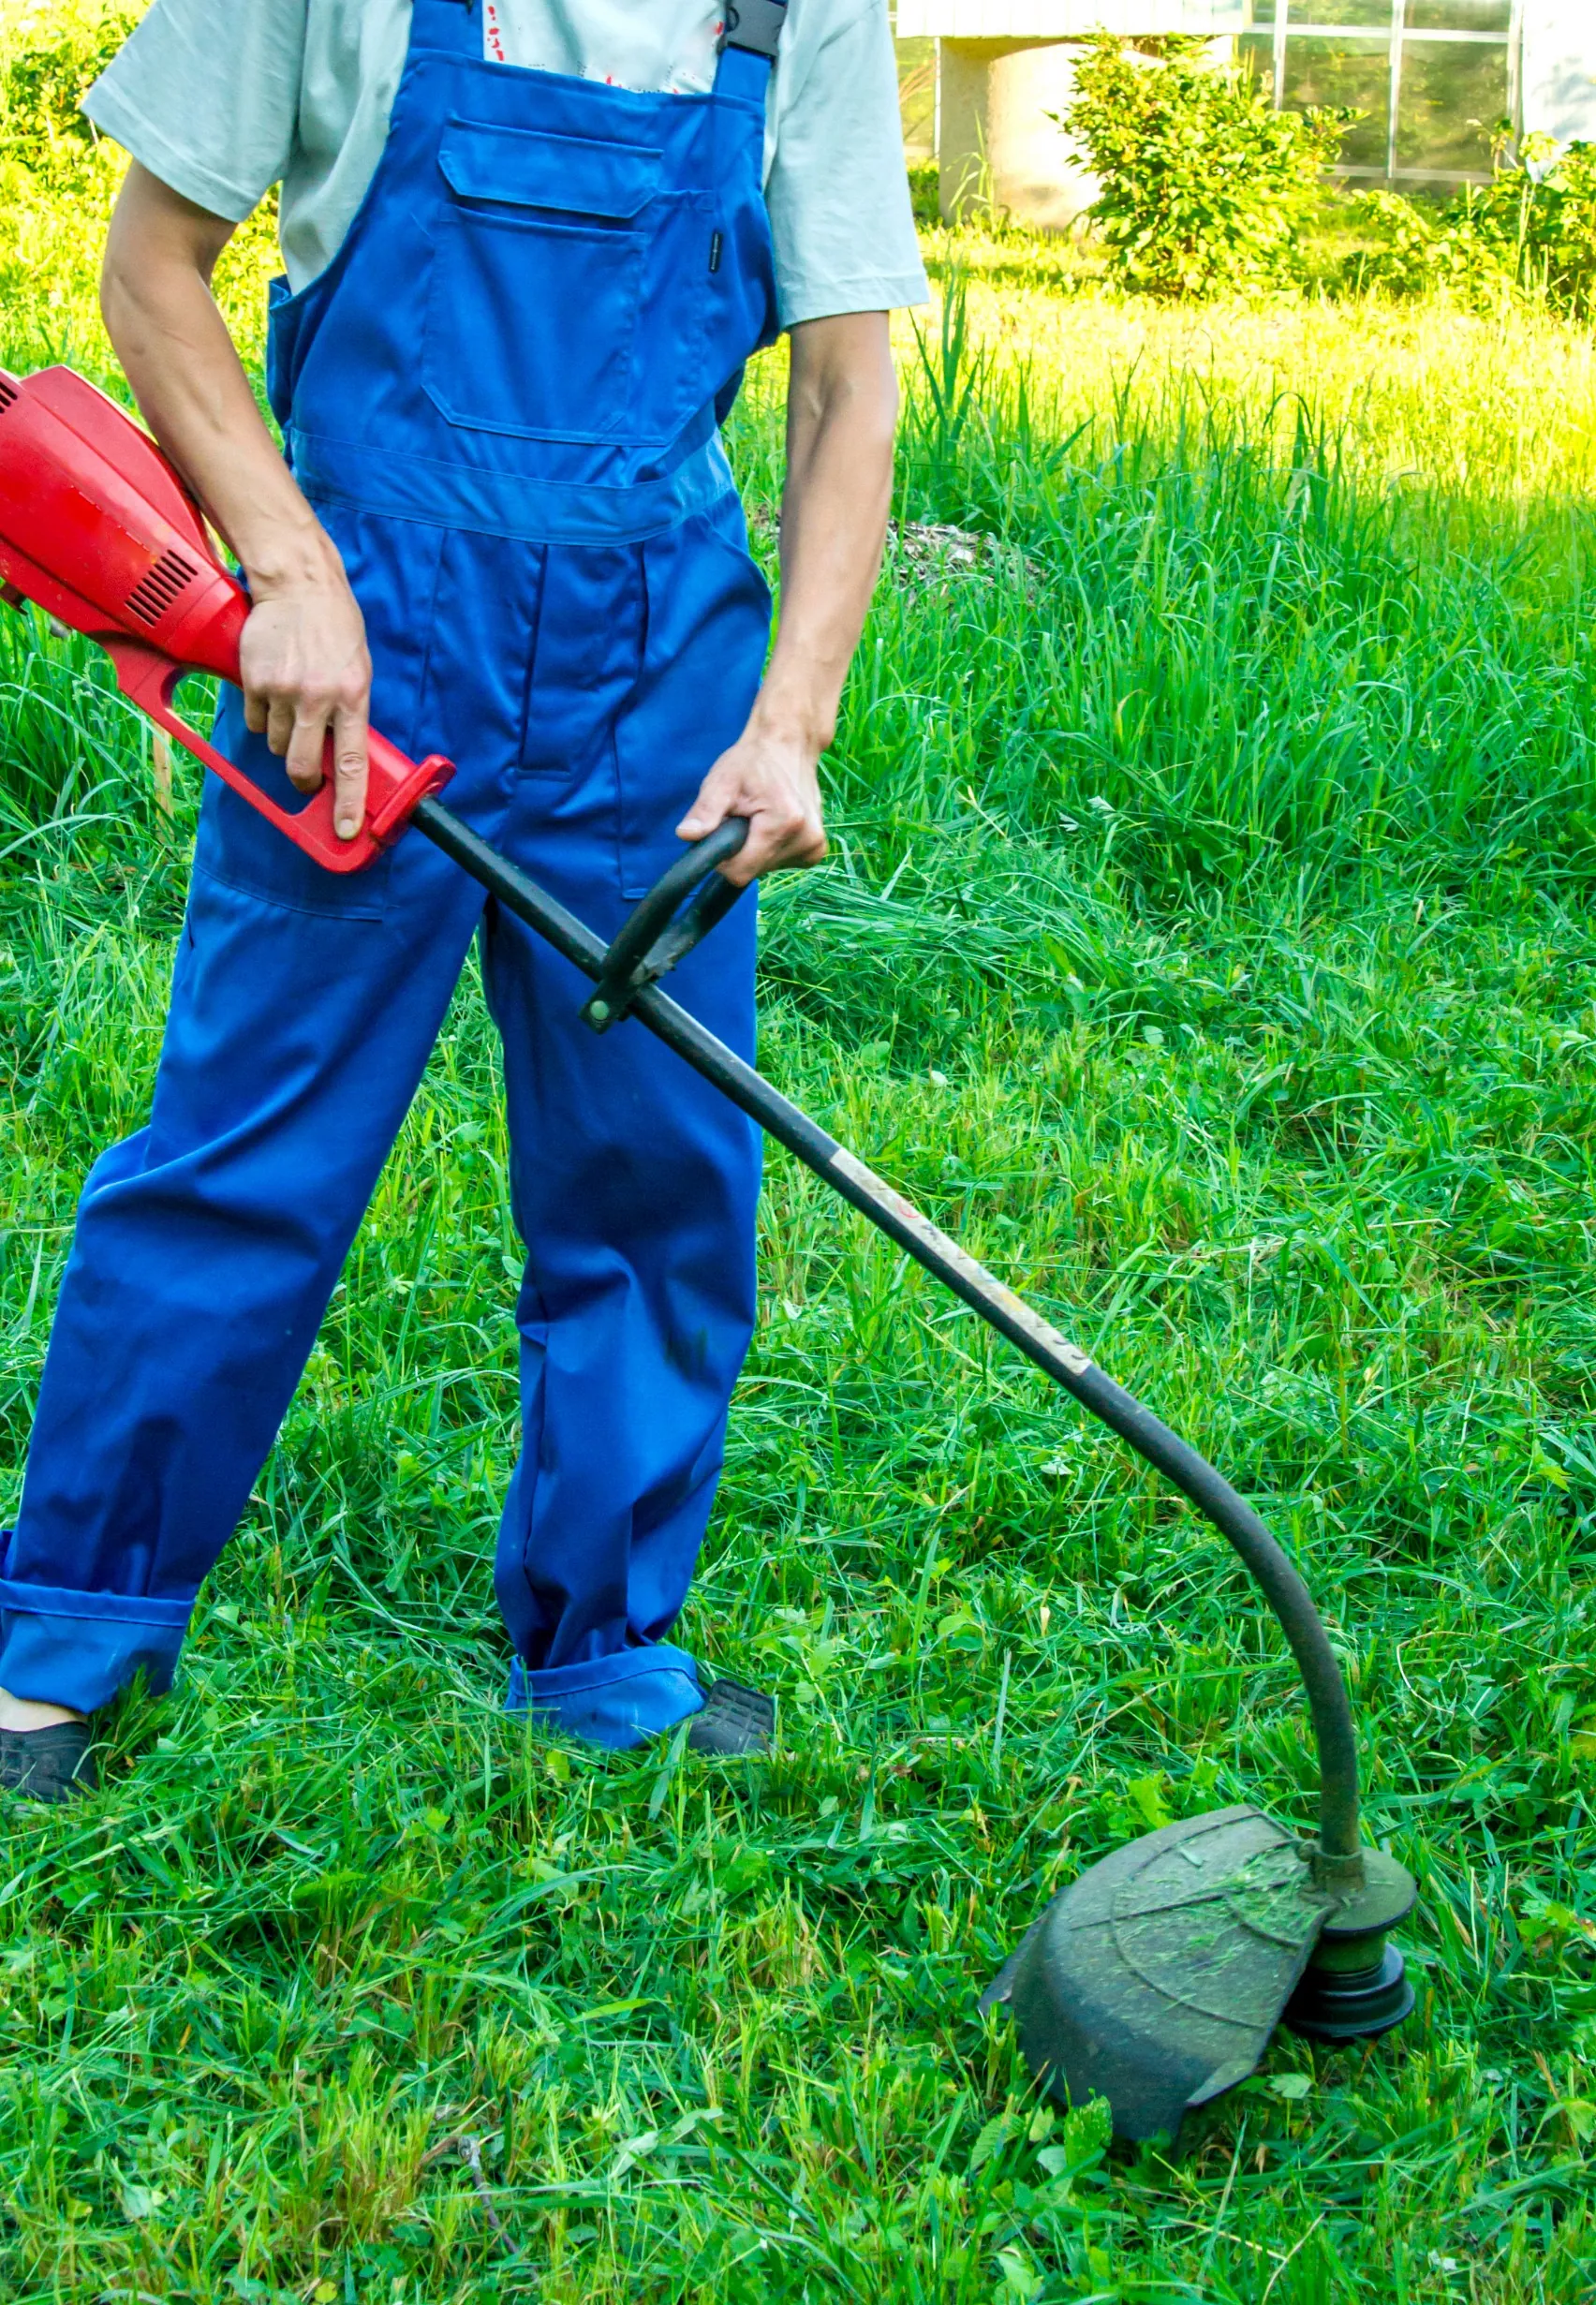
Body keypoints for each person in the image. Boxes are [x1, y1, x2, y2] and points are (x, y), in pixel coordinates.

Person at [0, 0, 926, 1800]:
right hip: (361, 637)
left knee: (659, 1169)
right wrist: (287, 567)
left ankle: (600, 1639)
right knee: (247, 1150)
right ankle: (63, 1633)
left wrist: (788, 723)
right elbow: (151, 268)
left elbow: (845, 379)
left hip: (658, 672)